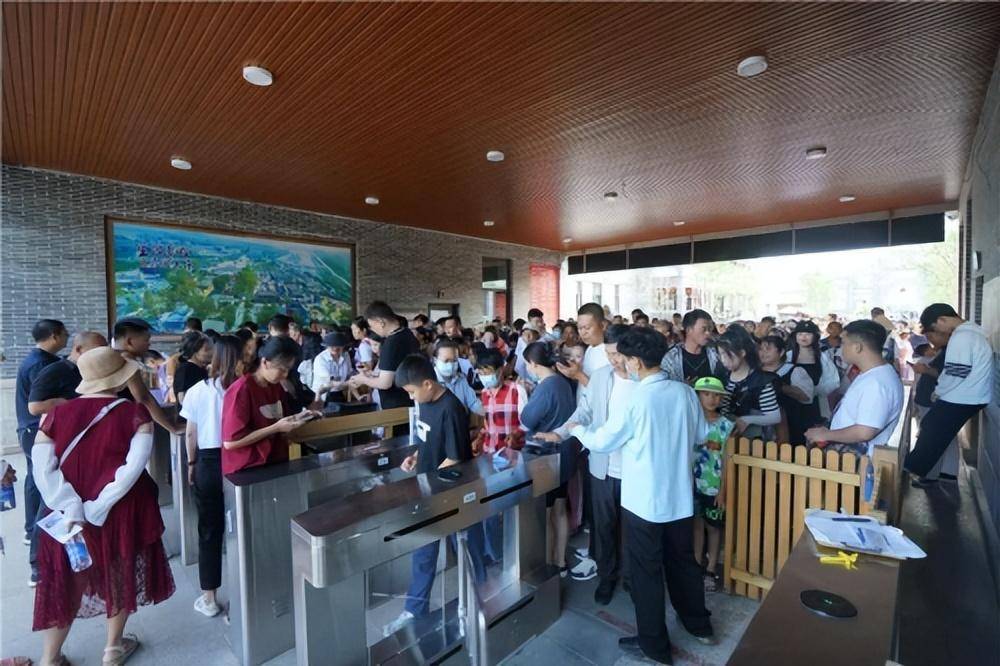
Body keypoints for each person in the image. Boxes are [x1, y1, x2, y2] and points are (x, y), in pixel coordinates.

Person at [568, 327, 715, 662]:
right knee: (683, 564)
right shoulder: (684, 393)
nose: (624, 364)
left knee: (647, 573)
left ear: (635, 361)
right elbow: (702, 435)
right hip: (679, 499)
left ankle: (654, 646)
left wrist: (579, 430)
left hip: (644, 503)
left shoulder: (636, 398)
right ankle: (699, 625)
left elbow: (604, 441)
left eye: (625, 358)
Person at [31, 347, 175, 664]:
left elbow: (42, 468)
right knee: (119, 571)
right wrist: (100, 505)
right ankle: (112, 648)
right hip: (122, 511)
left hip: (67, 517)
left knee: (66, 580)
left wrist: (70, 505)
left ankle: (50, 658)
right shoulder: (136, 414)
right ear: (119, 379)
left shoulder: (54, 415)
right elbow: (133, 468)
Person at [383, 354, 483, 636]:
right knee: (424, 552)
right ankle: (414, 610)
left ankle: (480, 600)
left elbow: (455, 457)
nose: (411, 397)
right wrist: (416, 457)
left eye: (412, 392)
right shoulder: (425, 402)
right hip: (428, 489)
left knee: (467, 549)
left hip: (452, 492)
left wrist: (431, 480)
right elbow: (427, 440)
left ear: (428, 384)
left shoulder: (451, 408)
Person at [538, 324, 635, 601]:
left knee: (632, 529)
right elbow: (584, 411)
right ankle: (607, 577)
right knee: (603, 527)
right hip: (602, 467)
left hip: (634, 470)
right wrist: (560, 433)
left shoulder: (642, 380)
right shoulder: (602, 377)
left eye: (618, 354)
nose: (614, 360)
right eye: (609, 354)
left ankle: (632, 578)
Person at [180, 335, 243, 619]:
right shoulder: (244, 387)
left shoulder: (198, 390)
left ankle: (209, 598)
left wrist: (191, 463)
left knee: (209, 530)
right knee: (243, 530)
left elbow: (191, 432)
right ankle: (245, 599)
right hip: (240, 460)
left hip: (208, 461)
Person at [905, 304, 994, 480]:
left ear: (942, 320)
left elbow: (956, 373)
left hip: (963, 397)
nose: (938, 333)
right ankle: (916, 468)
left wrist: (938, 391)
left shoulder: (962, 337)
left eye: (935, 328)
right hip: (972, 395)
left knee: (931, 429)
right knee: (933, 428)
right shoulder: (974, 332)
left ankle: (910, 468)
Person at [16, 319, 69, 586]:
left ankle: (30, 531)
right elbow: (39, 404)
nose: (67, 337)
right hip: (37, 431)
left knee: (35, 483)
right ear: (54, 336)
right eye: (65, 333)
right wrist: (65, 402)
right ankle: (38, 563)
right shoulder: (41, 365)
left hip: (30, 431)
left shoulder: (38, 360)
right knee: (47, 490)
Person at [518, 341, 577, 575]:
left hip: (545, 459)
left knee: (546, 513)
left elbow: (527, 419)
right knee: (560, 510)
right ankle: (560, 561)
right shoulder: (563, 381)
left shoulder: (546, 387)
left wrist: (527, 397)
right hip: (565, 454)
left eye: (527, 364)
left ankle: (547, 566)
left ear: (533, 363)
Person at [805, 320, 903, 459]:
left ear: (857, 347)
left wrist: (825, 434)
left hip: (856, 463)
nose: (841, 348)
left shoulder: (875, 383)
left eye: (844, 343)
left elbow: (864, 431)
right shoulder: (875, 374)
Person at [221, 336, 318, 475]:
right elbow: (231, 443)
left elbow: (281, 421)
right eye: (282, 369)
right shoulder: (241, 390)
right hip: (248, 468)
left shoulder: (275, 386)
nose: (285, 375)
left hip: (275, 461)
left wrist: (300, 417)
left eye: (288, 370)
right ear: (265, 362)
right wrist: (275, 428)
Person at [691, 377, 735, 592]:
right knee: (697, 525)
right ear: (697, 396)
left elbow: (727, 461)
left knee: (714, 527)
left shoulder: (726, 425)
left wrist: (723, 491)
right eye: (706, 394)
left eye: (716, 395)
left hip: (714, 486)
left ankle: (710, 568)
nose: (711, 399)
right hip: (691, 484)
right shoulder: (690, 421)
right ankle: (696, 564)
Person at [348, 302, 422, 422]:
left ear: (381, 322)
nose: (372, 329)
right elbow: (395, 371)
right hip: (411, 400)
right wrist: (373, 375)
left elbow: (385, 383)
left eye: (371, 325)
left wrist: (362, 379)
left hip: (396, 405)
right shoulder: (407, 333)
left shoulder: (390, 343)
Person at [111, 318, 183, 434]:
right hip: (119, 424)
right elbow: (144, 398)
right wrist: (172, 427)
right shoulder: (127, 362)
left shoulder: (110, 359)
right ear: (129, 342)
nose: (149, 344)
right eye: (146, 340)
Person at [910, 331, 958, 486]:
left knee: (932, 437)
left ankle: (931, 475)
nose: (930, 341)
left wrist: (925, 370)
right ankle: (946, 472)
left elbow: (945, 374)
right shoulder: (945, 351)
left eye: (932, 336)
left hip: (934, 400)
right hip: (933, 399)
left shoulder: (951, 351)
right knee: (943, 436)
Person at [716, 326, 780, 440]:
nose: (723, 360)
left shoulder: (760, 381)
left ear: (742, 353)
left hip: (751, 442)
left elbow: (775, 417)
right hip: (722, 438)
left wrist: (747, 420)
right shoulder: (722, 378)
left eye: (727, 354)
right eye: (721, 354)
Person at [475, 349, 527, 454]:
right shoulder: (484, 393)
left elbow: (527, 423)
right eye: (481, 373)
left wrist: (516, 434)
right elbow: (488, 423)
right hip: (489, 451)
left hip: (512, 451)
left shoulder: (517, 390)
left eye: (487, 373)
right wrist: (479, 438)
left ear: (500, 370)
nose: (484, 377)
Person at [782, 321, 827, 444]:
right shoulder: (787, 356)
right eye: (800, 334)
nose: (803, 337)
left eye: (808, 334)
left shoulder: (822, 357)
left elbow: (831, 381)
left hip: (814, 405)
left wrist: (813, 391)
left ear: (815, 337)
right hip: (790, 404)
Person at [661, 309, 725, 385]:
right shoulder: (671, 358)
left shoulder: (716, 354)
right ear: (689, 330)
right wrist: (681, 387)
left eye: (710, 329)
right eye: (704, 329)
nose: (708, 333)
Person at [557, 302, 609, 389]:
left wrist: (578, 375)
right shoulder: (590, 348)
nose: (583, 333)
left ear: (603, 325)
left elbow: (602, 391)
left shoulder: (610, 353)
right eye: (580, 328)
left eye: (587, 328)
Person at [433, 338, 483, 415]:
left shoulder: (461, 379)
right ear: (435, 360)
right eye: (446, 361)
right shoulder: (430, 382)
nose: (450, 365)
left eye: (454, 361)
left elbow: (473, 402)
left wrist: (490, 413)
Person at [309, 331, 354, 404]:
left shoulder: (346, 355)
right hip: (323, 395)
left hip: (339, 392)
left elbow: (349, 374)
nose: (335, 348)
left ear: (343, 346)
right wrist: (348, 383)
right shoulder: (320, 359)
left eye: (338, 346)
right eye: (332, 346)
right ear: (327, 346)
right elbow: (330, 382)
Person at [173, 331, 213, 405]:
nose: (212, 352)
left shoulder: (202, 369)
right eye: (207, 350)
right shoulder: (185, 369)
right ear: (194, 352)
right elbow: (182, 398)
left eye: (212, 349)